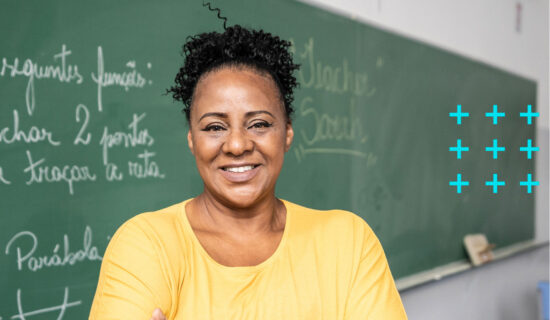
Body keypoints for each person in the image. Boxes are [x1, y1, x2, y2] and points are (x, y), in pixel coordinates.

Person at [89, 25, 407, 320]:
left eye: (259, 124)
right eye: (215, 127)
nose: (238, 144)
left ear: (287, 134)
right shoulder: (146, 245)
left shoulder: (348, 243)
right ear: (192, 140)